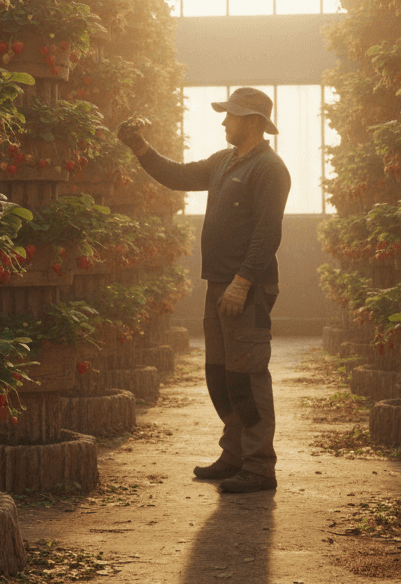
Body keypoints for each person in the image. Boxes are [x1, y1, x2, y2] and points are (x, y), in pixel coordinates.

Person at [117, 87, 291, 494]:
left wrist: (243, 282)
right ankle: (234, 455)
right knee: (222, 375)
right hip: (219, 283)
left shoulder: (269, 168)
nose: (224, 122)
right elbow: (177, 175)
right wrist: (140, 147)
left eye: (230, 115)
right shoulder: (224, 162)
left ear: (252, 122)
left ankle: (260, 465)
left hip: (245, 288)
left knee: (247, 376)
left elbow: (268, 232)